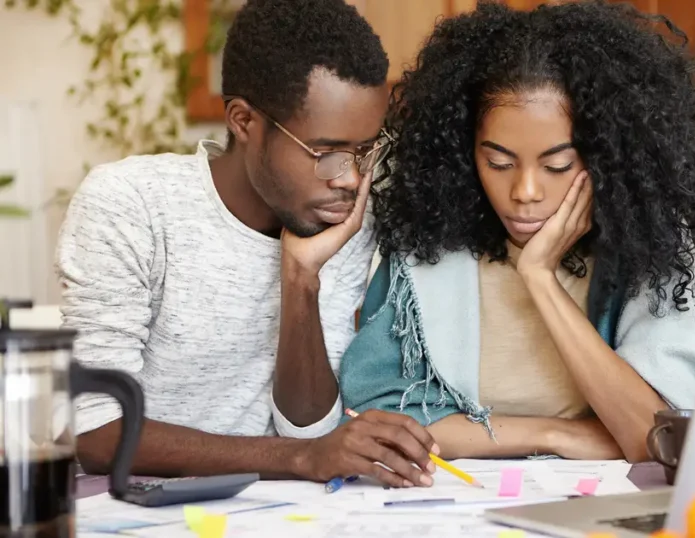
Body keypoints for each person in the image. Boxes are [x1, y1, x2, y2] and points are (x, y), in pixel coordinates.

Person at [57, 0, 438, 488]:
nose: (351, 178)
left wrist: (302, 279)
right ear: (243, 120)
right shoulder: (130, 205)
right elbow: (98, 433)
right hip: (131, 512)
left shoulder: (340, 220)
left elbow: (309, 430)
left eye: (367, 150)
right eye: (326, 154)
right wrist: (299, 459)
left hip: (268, 512)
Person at [340, 0, 695, 463]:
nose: (524, 191)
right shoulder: (426, 241)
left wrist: (541, 278)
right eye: (498, 162)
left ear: (605, 156)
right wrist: (555, 435)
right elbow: (376, 414)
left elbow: (657, 440)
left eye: (557, 165)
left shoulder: (652, 242)